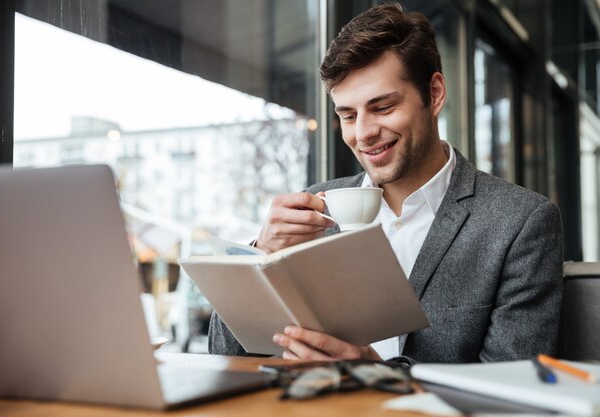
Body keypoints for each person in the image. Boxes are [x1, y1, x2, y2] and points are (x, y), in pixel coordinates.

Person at [208, 2, 563, 364]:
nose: (363, 134)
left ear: (435, 94)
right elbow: (226, 355)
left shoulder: (520, 222)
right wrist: (262, 252)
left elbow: (512, 390)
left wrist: (378, 376)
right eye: (348, 115)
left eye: (382, 108)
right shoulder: (313, 208)